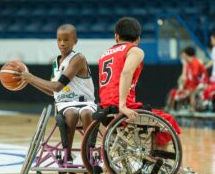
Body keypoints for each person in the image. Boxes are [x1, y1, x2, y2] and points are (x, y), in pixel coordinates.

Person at [98, 17, 181, 160]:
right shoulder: (135, 50)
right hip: (121, 104)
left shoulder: (105, 55)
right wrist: (122, 105)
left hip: (105, 105)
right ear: (137, 39)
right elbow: (126, 72)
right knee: (168, 120)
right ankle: (158, 161)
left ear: (116, 37)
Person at [20, 24, 97, 163]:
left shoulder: (78, 58)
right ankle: (67, 154)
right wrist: (30, 81)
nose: (62, 43)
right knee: (72, 113)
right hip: (65, 104)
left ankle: (88, 154)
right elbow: (53, 91)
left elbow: (57, 86)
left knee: (86, 113)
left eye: (66, 39)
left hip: (86, 102)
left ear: (75, 41)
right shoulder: (56, 62)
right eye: (59, 39)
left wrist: (31, 77)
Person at [168, 46, 209, 111]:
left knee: (191, 92)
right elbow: (188, 79)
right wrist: (184, 88)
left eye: (183, 54)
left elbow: (195, 78)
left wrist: (189, 89)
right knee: (178, 92)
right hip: (195, 84)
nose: (181, 56)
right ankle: (172, 110)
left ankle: (193, 110)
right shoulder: (188, 64)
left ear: (186, 54)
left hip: (203, 84)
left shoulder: (195, 63)